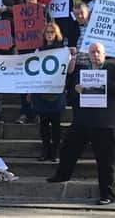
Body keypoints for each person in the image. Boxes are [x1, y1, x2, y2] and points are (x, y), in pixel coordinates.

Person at [47, 42, 115, 206]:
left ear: (104, 54)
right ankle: (62, 175)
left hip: (105, 123)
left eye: (98, 52)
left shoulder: (114, 69)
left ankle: (107, 194)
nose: (96, 55)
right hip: (83, 120)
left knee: (106, 161)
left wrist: (103, 84)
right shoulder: (82, 71)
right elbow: (71, 94)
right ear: (89, 55)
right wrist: (77, 90)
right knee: (67, 148)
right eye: (92, 52)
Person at [31, 23, 73, 162]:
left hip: (56, 91)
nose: (49, 34)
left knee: (56, 124)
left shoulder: (63, 50)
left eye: (52, 32)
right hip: (41, 91)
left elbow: (70, 70)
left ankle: (55, 152)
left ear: (56, 34)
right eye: (47, 32)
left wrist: (73, 56)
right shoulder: (39, 50)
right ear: (44, 34)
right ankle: (45, 151)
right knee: (43, 124)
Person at [15, 0, 52, 124]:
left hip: (40, 52)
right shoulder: (18, 11)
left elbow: (52, 28)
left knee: (38, 83)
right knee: (24, 83)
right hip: (23, 52)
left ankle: (37, 113)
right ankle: (24, 112)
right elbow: (14, 30)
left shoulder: (44, 11)